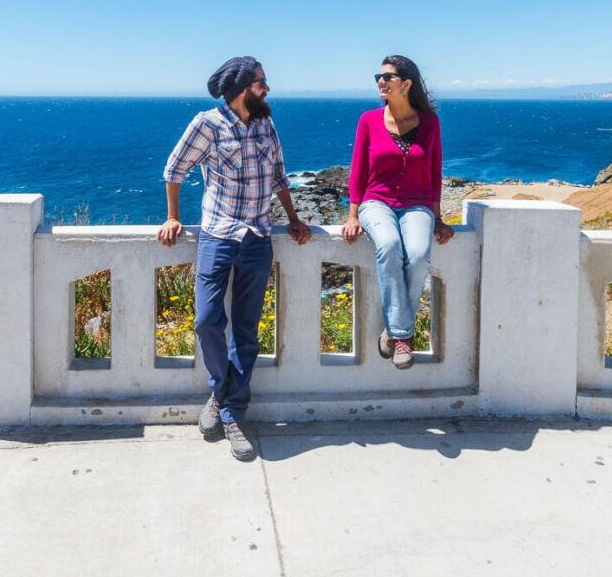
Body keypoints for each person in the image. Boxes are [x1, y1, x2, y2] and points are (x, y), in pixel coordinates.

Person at [160, 56, 312, 461]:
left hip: (259, 238)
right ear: (243, 88)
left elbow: (279, 175)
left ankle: (229, 411)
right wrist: (173, 217)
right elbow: (174, 169)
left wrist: (295, 219)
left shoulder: (266, 123)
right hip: (217, 236)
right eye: (262, 82)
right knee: (207, 319)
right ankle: (220, 388)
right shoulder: (207, 124)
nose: (268, 88)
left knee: (246, 331)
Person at [341, 55, 454, 368]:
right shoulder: (368, 121)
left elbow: (434, 172)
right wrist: (352, 215)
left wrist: (439, 217)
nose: (381, 81)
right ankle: (402, 337)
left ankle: (391, 334)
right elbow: (358, 171)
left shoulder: (430, 123)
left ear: (406, 84)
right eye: (379, 76)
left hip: (417, 204)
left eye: (387, 77)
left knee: (418, 253)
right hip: (375, 201)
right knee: (389, 245)